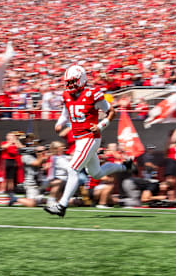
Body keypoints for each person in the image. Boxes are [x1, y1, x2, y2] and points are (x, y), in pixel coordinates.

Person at [44, 65, 131, 217]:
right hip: (79, 140)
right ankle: (124, 166)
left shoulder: (93, 94)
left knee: (72, 169)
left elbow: (111, 112)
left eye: (73, 82)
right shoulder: (66, 95)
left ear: (82, 80)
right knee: (96, 173)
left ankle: (62, 205)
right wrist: (59, 123)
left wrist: (101, 126)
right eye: (68, 82)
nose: (70, 85)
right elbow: (65, 113)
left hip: (90, 138)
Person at [1, 132, 24, 206]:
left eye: (12, 136)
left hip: (13, 161)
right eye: (10, 135)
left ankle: (11, 191)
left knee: (11, 178)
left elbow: (21, 147)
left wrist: (16, 140)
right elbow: (3, 147)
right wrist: (10, 142)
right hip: (6, 161)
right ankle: (6, 190)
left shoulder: (15, 143)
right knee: (6, 178)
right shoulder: (5, 142)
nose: (11, 137)